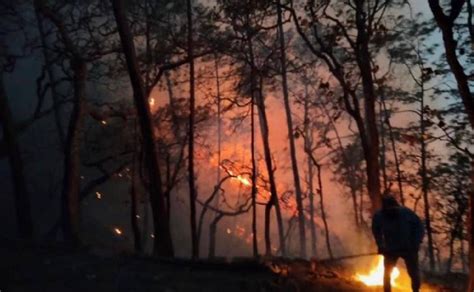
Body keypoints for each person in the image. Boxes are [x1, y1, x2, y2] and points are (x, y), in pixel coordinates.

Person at [372, 195, 425, 292]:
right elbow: (376, 231)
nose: (392, 211)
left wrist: (416, 243)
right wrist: (380, 245)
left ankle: (416, 290)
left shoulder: (406, 213)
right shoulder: (379, 216)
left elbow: (420, 227)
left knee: (413, 273)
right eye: (389, 210)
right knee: (387, 274)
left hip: (409, 248)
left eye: (394, 209)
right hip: (391, 249)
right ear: (384, 209)